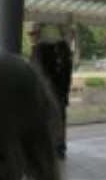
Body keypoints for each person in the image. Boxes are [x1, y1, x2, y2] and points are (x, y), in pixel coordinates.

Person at [28, 23, 73, 157]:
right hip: (58, 93)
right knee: (57, 120)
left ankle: (52, 146)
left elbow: (39, 72)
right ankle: (58, 146)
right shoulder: (57, 51)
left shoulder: (40, 50)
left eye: (33, 34)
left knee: (48, 120)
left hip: (48, 93)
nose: (31, 37)